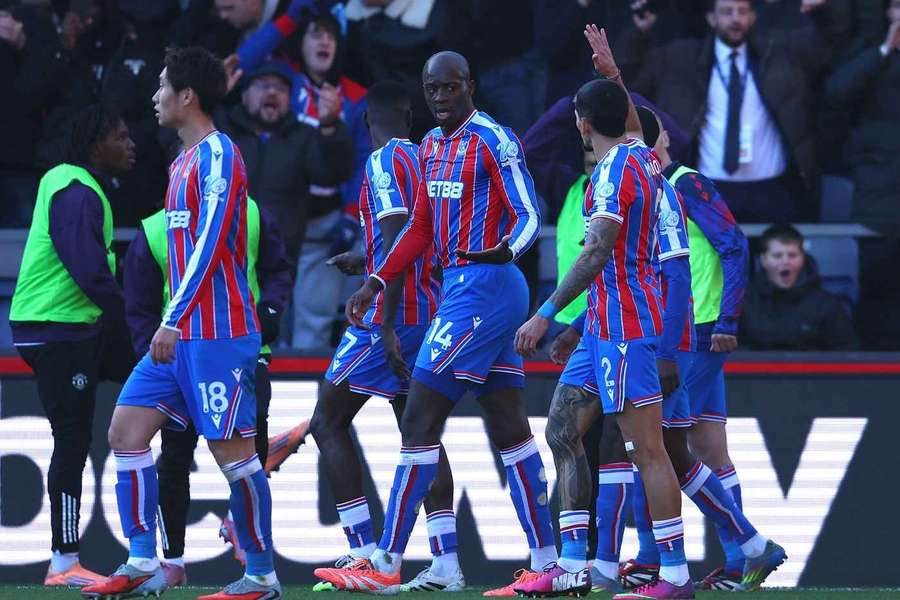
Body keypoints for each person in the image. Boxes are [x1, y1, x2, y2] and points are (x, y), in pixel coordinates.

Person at [319, 51, 554, 596]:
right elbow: (420, 225)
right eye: (432, 89)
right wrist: (377, 279)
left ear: (469, 85)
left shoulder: (494, 140)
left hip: (486, 289)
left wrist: (505, 251)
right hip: (461, 290)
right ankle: (543, 562)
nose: (440, 97)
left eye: (449, 87)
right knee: (510, 429)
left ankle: (384, 559)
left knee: (419, 420)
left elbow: (528, 214)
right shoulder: (429, 148)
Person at [81, 46, 278, 600]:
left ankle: (261, 574)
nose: (155, 96)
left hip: (216, 333)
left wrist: (172, 317)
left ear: (187, 96)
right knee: (125, 431)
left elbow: (213, 243)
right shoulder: (181, 163)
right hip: (183, 333)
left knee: (233, 457)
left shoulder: (220, 156)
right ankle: (144, 561)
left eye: (163, 85)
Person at [514, 75, 694, 599]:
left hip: (626, 330)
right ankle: (573, 565)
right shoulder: (639, 152)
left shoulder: (615, 174)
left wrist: (545, 313)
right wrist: (612, 72)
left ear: (582, 124)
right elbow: (632, 120)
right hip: (599, 329)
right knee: (562, 431)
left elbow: (595, 253)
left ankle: (676, 576)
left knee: (647, 451)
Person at [308, 81, 463, 593]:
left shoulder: (381, 160)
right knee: (419, 436)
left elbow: (399, 231)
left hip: (392, 319)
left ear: (365, 121)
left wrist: (389, 321)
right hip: (433, 311)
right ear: (411, 118)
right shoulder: (426, 158)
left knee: (327, 421)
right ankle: (446, 562)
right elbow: (417, 236)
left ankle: (359, 549)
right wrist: (366, 259)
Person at [123, 196, 302, 586]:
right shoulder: (156, 227)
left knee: (246, 449)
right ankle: (172, 561)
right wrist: (153, 360)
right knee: (174, 458)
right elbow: (139, 303)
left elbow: (277, 271)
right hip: (179, 357)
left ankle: (250, 549)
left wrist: (268, 315)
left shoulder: (251, 212)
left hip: (243, 350)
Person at [9, 104, 135, 587]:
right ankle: (64, 563)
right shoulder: (76, 189)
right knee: (73, 438)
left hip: (74, 326)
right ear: (94, 142)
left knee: (154, 378)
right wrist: (126, 316)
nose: (131, 145)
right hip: (58, 327)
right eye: (121, 137)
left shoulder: (73, 184)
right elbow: (86, 269)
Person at [616, 0, 841, 222]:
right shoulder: (681, 59)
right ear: (711, 18)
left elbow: (829, 48)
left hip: (771, 187)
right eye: (727, 12)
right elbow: (628, 78)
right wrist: (639, 33)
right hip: (710, 186)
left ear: (753, 17)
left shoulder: (778, 56)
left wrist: (823, 13)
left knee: (771, 255)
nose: (735, 19)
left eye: (742, 11)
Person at [235, 1, 371, 349]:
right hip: (274, 221)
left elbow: (362, 161)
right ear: (301, 42)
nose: (324, 42)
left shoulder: (355, 97)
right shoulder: (281, 81)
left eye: (331, 36)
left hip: (325, 225)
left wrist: (351, 214)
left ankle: (305, 402)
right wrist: (290, 18)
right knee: (264, 316)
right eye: (315, 34)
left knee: (314, 323)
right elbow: (241, 63)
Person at [218, 60, 355, 267]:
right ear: (244, 95)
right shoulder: (221, 130)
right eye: (263, 85)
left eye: (281, 88)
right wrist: (211, 100)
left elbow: (332, 174)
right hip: (222, 253)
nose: (272, 92)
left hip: (277, 261)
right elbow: (175, 139)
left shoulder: (304, 136)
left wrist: (330, 126)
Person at [824, 1, 900, 349]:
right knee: (876, 279)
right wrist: (884, 50)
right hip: (879, 191)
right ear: (887, 13)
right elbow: (837, 92)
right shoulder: (869, 50)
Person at [740, 224, 856, 351]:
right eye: (777, 256)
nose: (785, 261)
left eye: (792, 255)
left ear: (802, 259)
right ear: (763, 260)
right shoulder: (742, 303)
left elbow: (846, 353)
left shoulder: (826, 305)